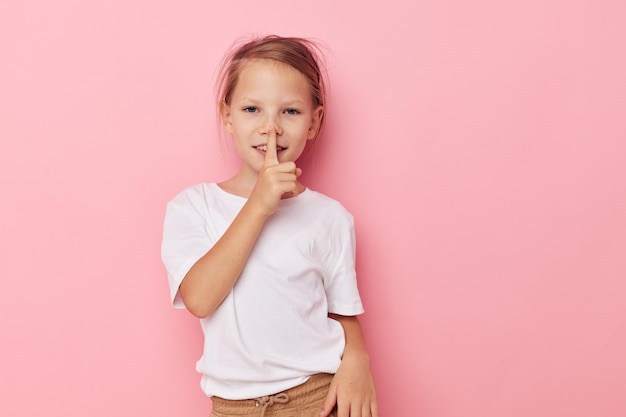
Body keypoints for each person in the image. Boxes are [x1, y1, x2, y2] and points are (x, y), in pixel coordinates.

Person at [161, 35, 379, 417]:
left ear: (315, 122)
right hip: (233, 407)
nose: (271, 128)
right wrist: (259, 204)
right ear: (227, 115)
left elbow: (343, 311)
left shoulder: (330, 217)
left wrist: (358, 361)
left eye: (290, 112)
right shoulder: (193, 207)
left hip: (318, 397)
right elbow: (199, 298)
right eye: (252, 109)